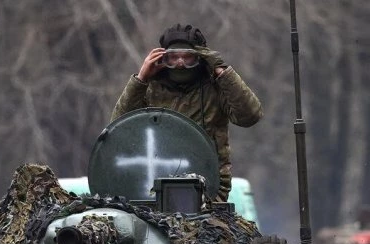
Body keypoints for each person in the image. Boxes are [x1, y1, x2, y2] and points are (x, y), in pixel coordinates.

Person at [111, 24, 263, 202]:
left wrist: (222, 73)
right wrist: (141, 79)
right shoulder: (151, 88)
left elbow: (250, 115)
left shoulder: (214, 87)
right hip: (151, 186)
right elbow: (118, 128)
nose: (180, 64)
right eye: (173, 58)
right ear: (162, 58)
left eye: (188, 57)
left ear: (201, 58)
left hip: (208, 191)